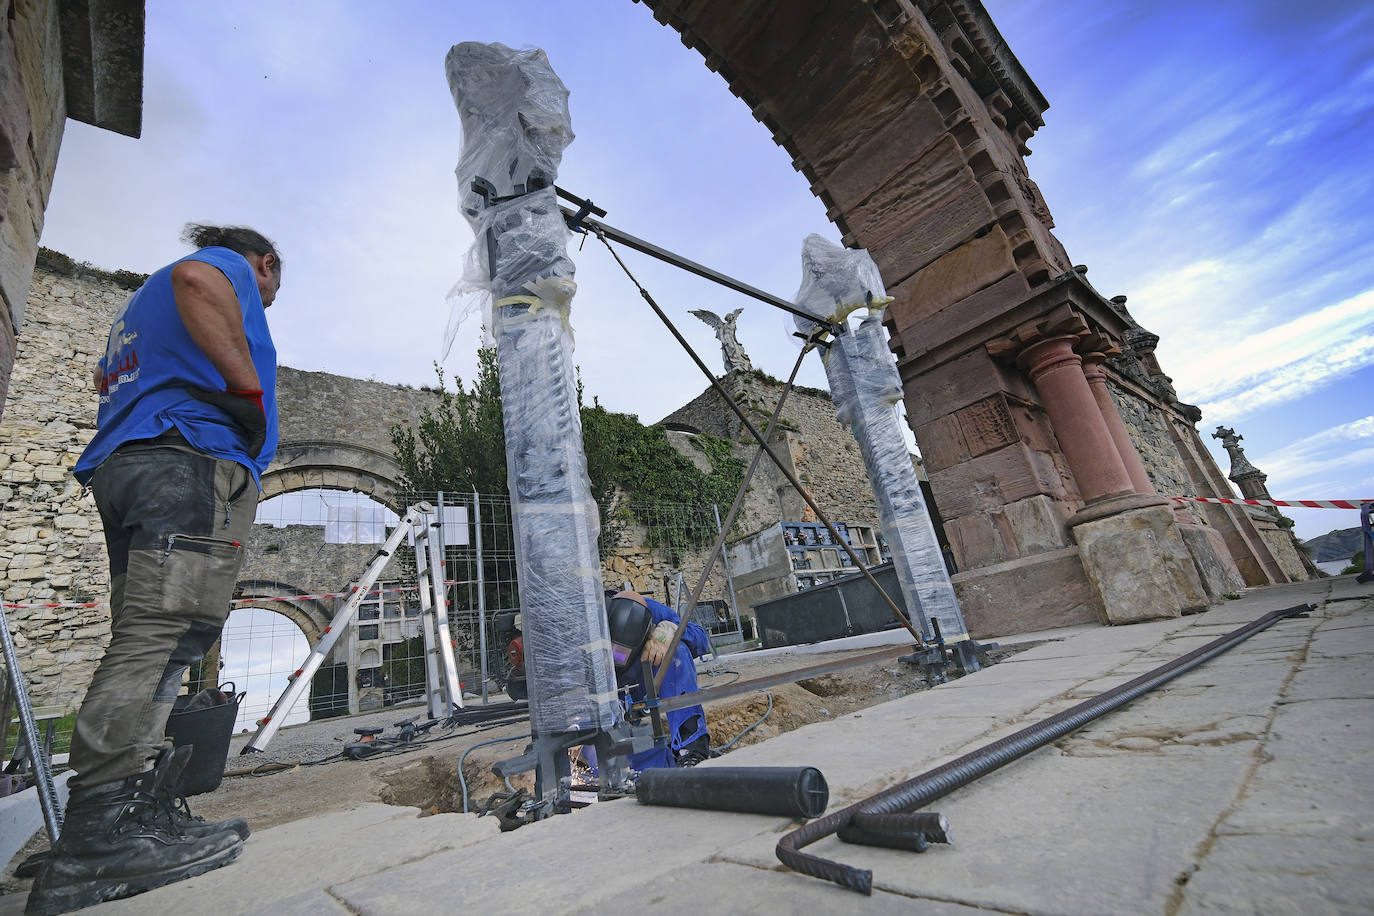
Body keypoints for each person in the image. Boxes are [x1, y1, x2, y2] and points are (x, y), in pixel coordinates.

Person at [27, 225, 283, 916]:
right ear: (264, 264)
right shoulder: (218, 267)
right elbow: (200, 283)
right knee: (163, 633)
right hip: (187, 457)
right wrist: (247, 390)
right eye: (270, 288)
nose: (264, 300)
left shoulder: (135, 311)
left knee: (163, 635)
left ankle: (134, 813)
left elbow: (105, 378)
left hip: (137, 461)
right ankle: (98, 837)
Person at [607, 590, 712, 769]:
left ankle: (690, 749)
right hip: (608, 690)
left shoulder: (647, 609)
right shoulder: (589, 619)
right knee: (614, 763)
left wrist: (672, 631)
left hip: (642, 677)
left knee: (676, 651)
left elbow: (701, 639)